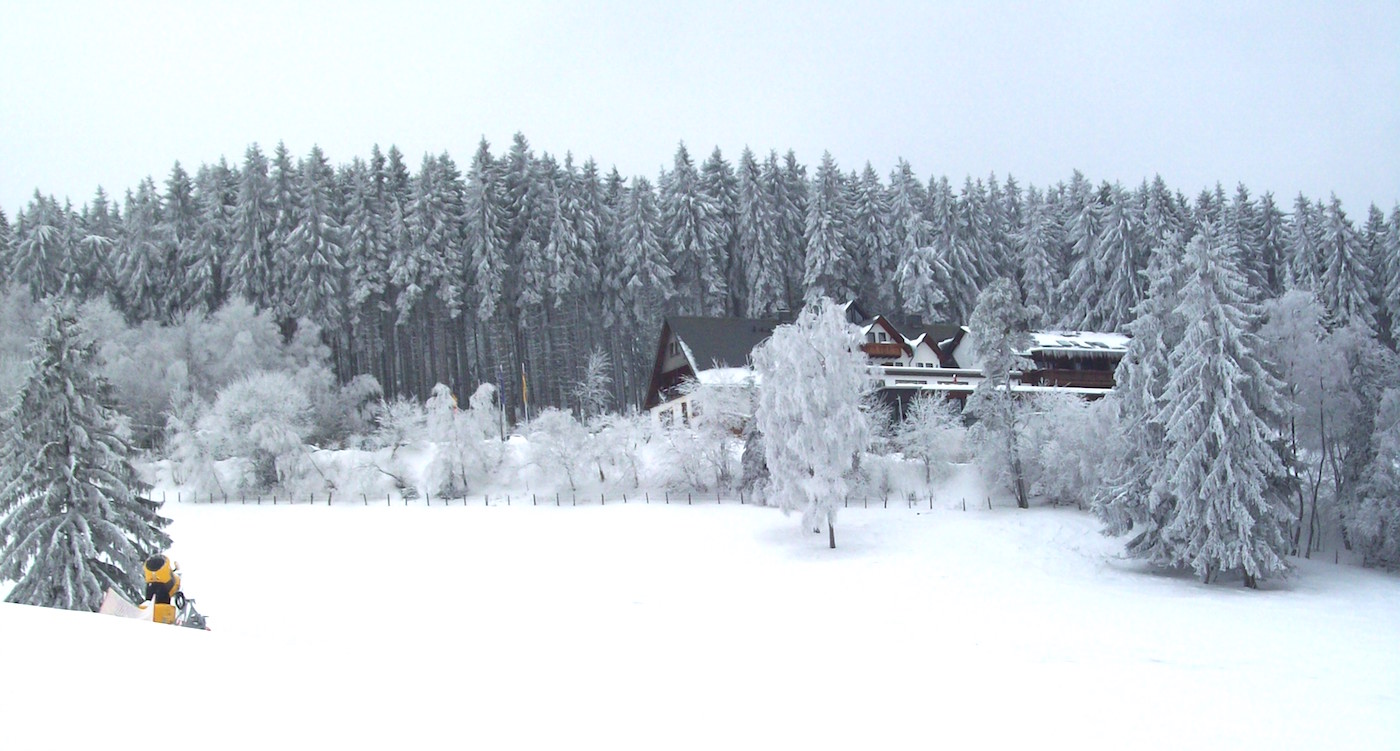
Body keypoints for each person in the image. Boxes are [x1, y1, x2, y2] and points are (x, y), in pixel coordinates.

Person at [142, 554, 182, 625]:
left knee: (149, 603)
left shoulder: (152, 579)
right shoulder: (169, 582)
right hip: (162, 609)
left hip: (150, 605)